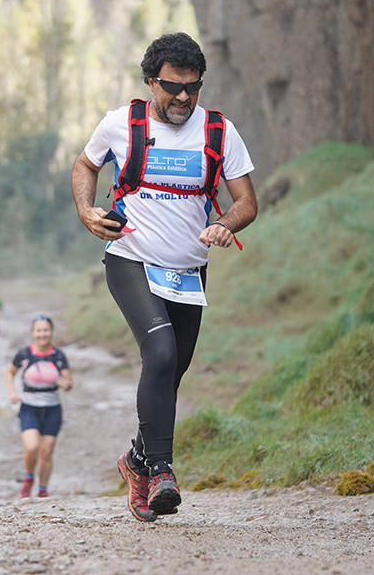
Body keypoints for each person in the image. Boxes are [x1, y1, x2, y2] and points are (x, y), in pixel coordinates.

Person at [70, 32, 257, 522]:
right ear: (151, 81)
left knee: (171, 371)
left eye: (193, 88)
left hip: (188, 273)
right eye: (173, 87)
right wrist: (87, 212)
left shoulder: (219, 131)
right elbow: (85, 165)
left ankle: (135, 461)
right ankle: (162, 472)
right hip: (130, 258)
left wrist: (224, 224)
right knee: (160, 351)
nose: (183, 98)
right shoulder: (120, 125)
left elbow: (246, 202)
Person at [4, 315, 73, 498]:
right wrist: (12, 393)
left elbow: (69, 382)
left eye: (46, 330)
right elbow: (9, 373)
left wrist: (64, 383)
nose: (43, 334)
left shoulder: (58, 356)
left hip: (52, 409)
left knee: (47, 451)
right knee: (33, 447)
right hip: (29, 408)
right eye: (39, 330)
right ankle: (28, 479)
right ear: (33, 333)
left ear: (51, 332)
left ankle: (43, 490)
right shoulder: (24, 355)